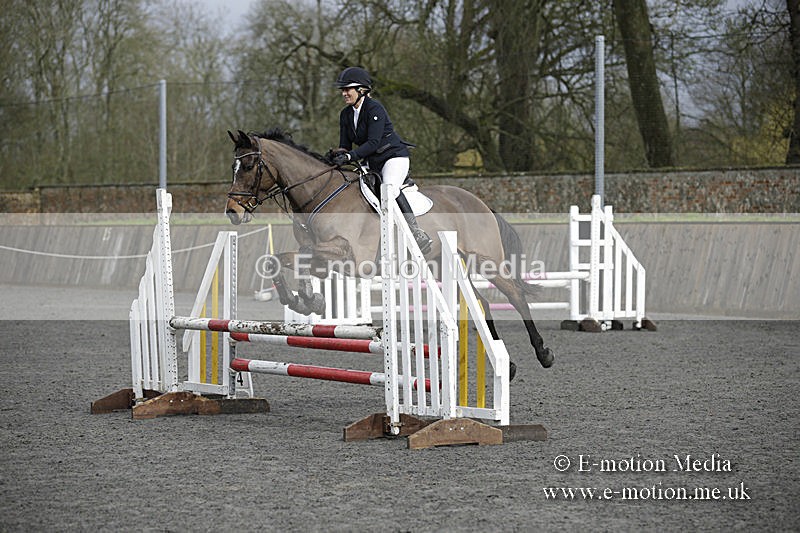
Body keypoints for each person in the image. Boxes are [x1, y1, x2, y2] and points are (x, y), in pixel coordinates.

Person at [331, 66, 433, 254]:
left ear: (361, 90)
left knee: (389, 189)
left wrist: (350, 156)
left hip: (393, 157)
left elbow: (373, 142)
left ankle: (416, 232)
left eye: (348, 89)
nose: (344, 93)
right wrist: (336, 156)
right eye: (342, 90)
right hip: (371, 163)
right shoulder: (345, 114)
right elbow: (345, 144)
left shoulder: (374, 108)